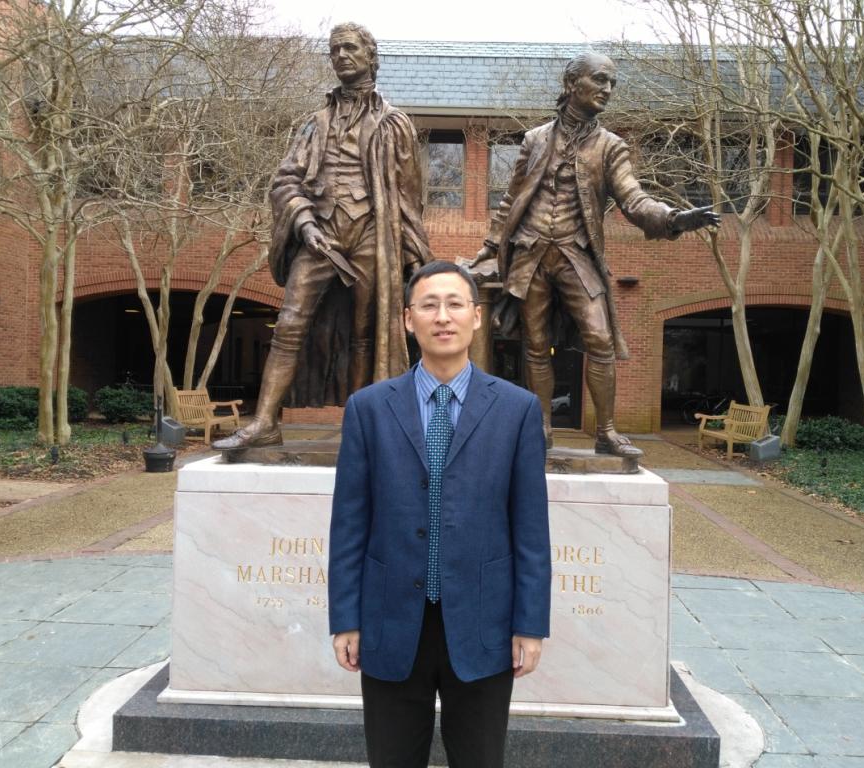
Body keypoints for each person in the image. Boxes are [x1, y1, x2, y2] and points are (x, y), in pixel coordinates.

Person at [328, 260, 551, 768]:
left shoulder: (517, 410)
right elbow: (349, 525)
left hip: (484, 622)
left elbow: (531, 531)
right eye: (429, 305)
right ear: (409, 319)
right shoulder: (368, 408)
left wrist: (530, 624)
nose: (443, 317)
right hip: (389, 621)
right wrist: (345, 618)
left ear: (477, 316)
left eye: (455, 304)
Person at [465, 52, 720, 456]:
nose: (608, 89)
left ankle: (606, 432)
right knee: (535, 345)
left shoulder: (610, 146)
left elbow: (633, 198)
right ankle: (541, 429)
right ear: (572, 83)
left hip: (577, 255)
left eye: (612, 83)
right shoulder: (535, 139)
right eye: (600, 79)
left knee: (600, 339)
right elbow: (511, 200)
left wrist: (671, 218)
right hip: (530, 254)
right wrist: (490, 248)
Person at [214, 22, 430, 450]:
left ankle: (361, 427)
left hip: (371, 235)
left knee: (367, 334)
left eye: (349, 48)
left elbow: (410, 197)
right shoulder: (315, 123)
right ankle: (264, 422)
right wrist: (305, 224)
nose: (340, 56)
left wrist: (413, 256)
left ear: (370, 56)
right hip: (321, 235)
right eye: (334, 50)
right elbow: (285, 181)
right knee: (289, 324)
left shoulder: (394, 123)